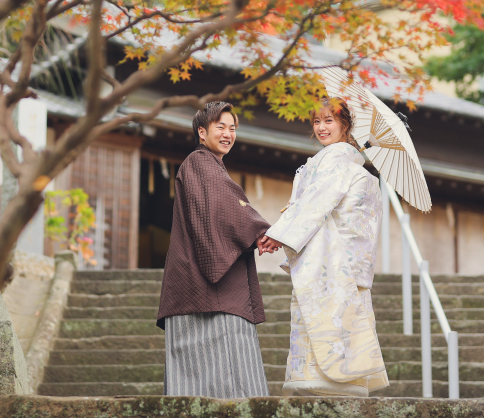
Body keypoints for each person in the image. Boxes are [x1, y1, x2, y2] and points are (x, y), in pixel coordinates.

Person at [265, 97, 389, 397]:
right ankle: (350, 382)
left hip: (328, 260)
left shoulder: (334, 163)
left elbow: (314, 205)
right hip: (350, 262)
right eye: (317, 122)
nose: (321, 127)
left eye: (329, 120)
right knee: (347, 320)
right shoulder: (359, 169)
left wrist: (279, 233)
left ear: (345, 125)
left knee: (321, 319)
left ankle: (321, 381)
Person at [156, 101, 278, 398]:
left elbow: (226, 205)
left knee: (201, 375)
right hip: (205, 287)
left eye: (232, 128)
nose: (227, 134)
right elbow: (225, 207)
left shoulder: (209, 166)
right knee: (226, 370)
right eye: (220, 127)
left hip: (192, 286)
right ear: (202, 132)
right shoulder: (200, 162)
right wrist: (262, 231)